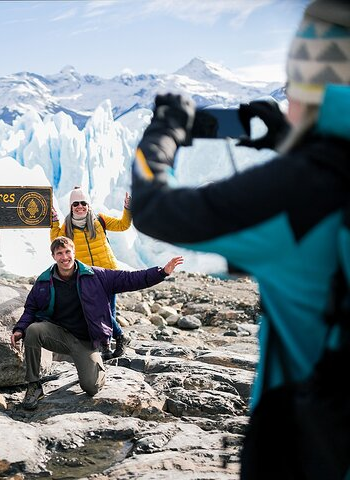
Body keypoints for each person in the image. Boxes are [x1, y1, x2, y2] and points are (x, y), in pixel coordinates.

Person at [130, 1, 350, 477]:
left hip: (313, 445)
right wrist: (291, 138)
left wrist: (164, 132)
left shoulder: (296, 190)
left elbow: (153, 209)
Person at [10, 236, 183, 410]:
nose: (64, 257)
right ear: (54, 256)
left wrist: (161, 272)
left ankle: (95, 366)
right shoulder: (44, 281)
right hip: (59, 336)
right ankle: (34, 386)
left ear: (74, 252)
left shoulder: (96, 275)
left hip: (86, 341)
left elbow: (131, 279)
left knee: (91, 387)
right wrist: (20, 329)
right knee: (33, 330)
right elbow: (30, 309)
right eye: (59, 253)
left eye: (67, 252)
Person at [51, 187, 133, 359]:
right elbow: (56, 241)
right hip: (87, 275)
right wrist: (54, 221)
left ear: (88, 205)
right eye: (75, 204)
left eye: (83, 203)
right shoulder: (67, 227)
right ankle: (119, 337)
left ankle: (108, 346)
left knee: (109, 311)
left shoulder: (100, 220)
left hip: (108, 272)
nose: (79, 207)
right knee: (96, 311)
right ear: (71, 206)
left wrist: (127, 209)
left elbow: (122, 225)